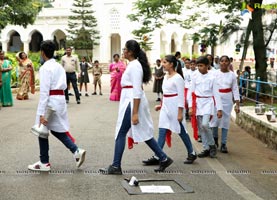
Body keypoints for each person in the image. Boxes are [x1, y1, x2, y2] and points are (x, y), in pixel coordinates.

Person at [100, 40, 173, 175]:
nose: (123, 52)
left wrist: (134, 113)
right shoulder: (133, 65)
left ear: (131, 52)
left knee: (121, 132)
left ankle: (116, 166)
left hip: (131, 101)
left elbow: (137, 90)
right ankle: (163, 157)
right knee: (143, 131)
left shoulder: (135, 66)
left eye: (125, 49)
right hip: (130, 100)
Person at [28, 40, 86, 172]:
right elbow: (65, 85)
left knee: (43, 130)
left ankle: (46, 161)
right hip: (60, 99)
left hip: (50, 100)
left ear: (42, 53)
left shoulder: (45, 68)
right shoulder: (59, 66)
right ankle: (71, 152)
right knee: (53, 129)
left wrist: (41, 113)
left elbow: (44, 92)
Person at [143, 55, 197, 166]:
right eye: (162, 62)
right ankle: (158, 156)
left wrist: (180, 112)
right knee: (162, 131)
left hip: (175, 107)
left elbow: (181, 97)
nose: (163, 64)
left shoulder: (178, 78)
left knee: (181, 131)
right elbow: (166, 94)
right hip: (166, 107)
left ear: (171, 64)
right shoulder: (166, 76)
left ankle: (192, 152)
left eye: (165, 62)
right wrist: (161, 105)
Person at [188, 56, 223, 158]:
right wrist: (190, 107)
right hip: (198, 103)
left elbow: (216, 94)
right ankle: (206, 148)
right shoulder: (195, 77)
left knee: (205, 125)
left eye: (201, 66)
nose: (199, 68)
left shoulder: (212, 78)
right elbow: (191, 93)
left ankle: (212, 145)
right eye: (198, 66)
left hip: (208, 103)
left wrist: (219, 109)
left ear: (207, 66)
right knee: (201, 128)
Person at [210, 55, 240, 153]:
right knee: (214, 120)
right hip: (216, 97)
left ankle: (223, 143)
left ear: (229, 63)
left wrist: (237, 104)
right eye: (221, 61)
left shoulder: (232, 75)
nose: (223, 63)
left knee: (225, 122)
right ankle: (215, 140)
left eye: (226, 61)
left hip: (227, 99)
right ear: (219, 63)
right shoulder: (214, 74)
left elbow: (235, 89)